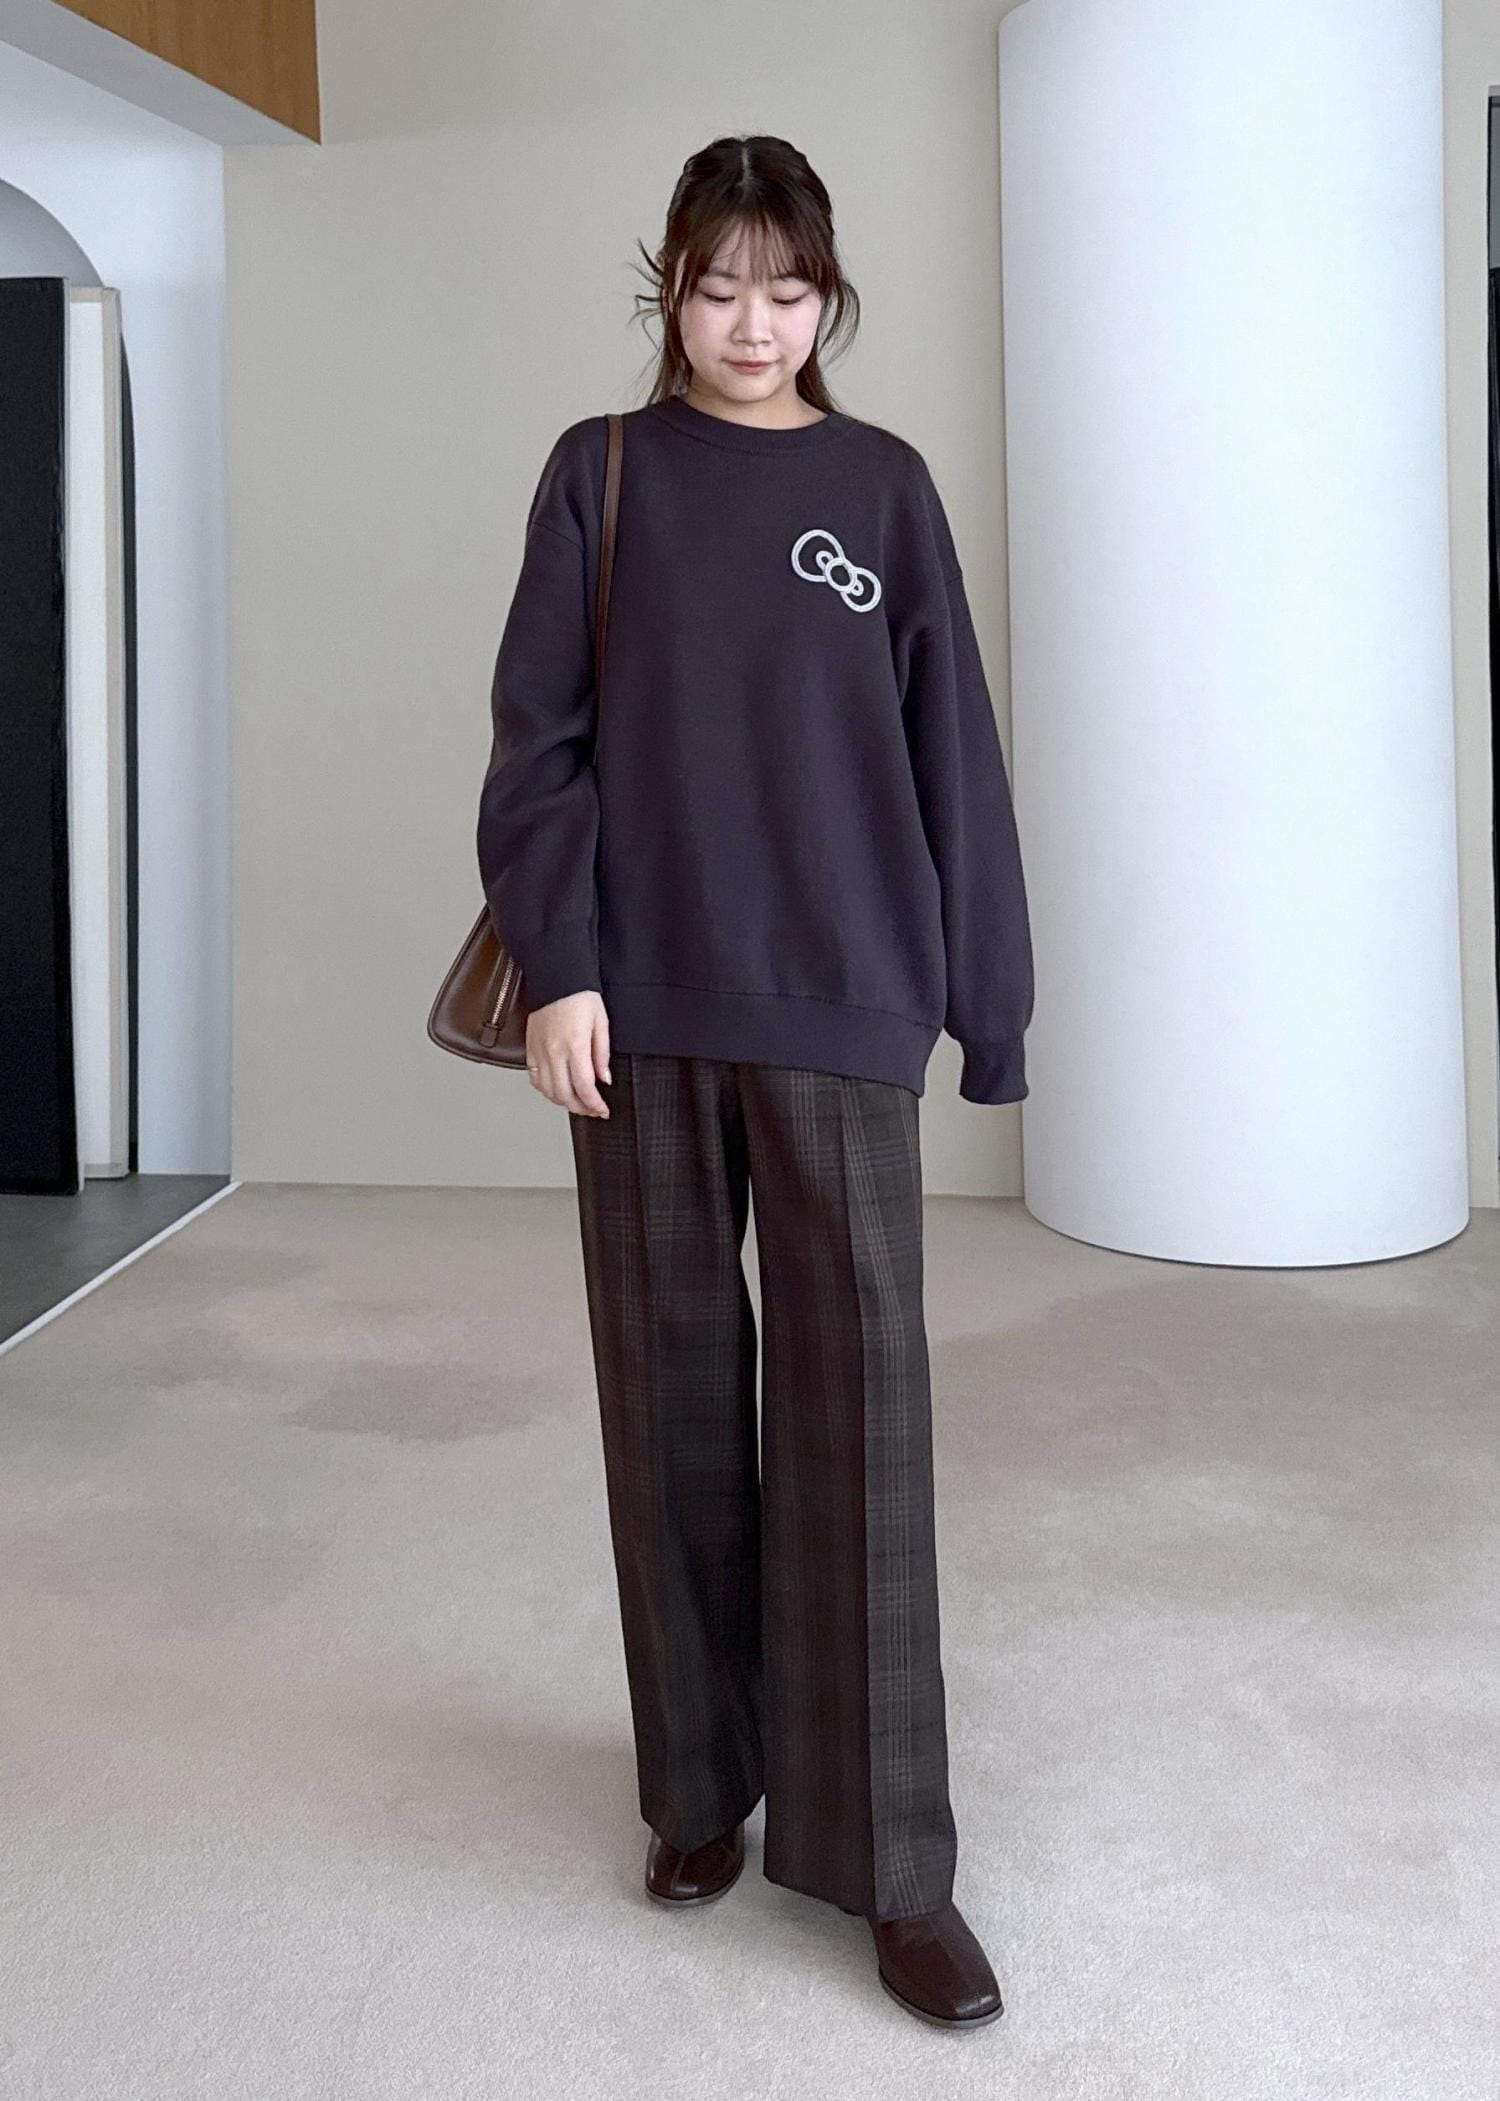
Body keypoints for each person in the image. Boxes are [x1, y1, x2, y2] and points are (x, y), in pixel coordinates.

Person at [476, 133, 1034, 2031]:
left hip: (844, 1001)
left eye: (785, 290)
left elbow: (952, 753)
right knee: (672, 1405)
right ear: (672, 291)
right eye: (716, 287)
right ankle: (699, 1792)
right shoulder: (600, 472)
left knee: (862, 1418)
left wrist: (990, 1004)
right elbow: (536, 743)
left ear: (828, 296)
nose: (750, 324)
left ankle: (894, 1868)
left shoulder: (883, 490)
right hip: (634, 1009)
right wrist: (561, 966)